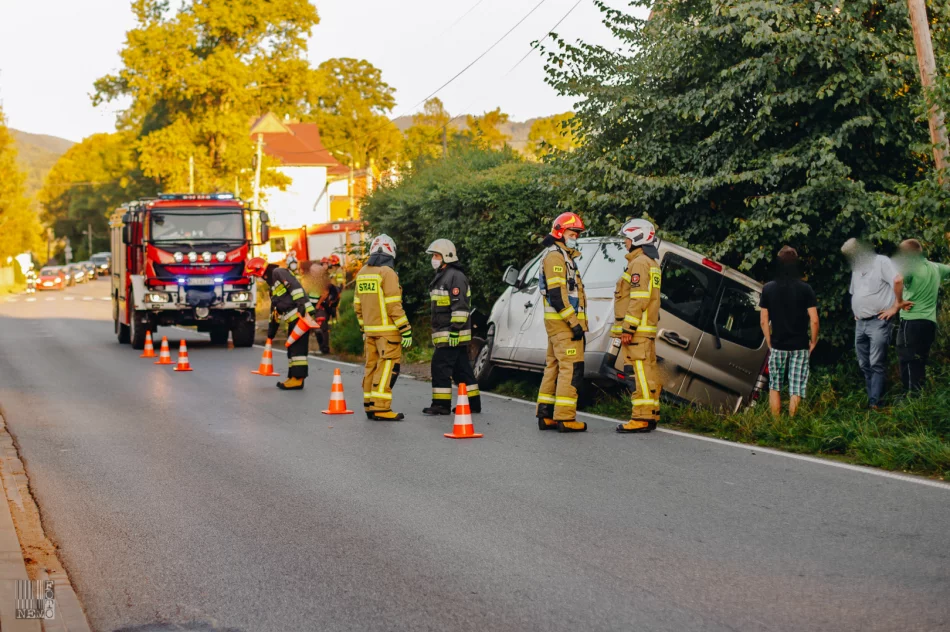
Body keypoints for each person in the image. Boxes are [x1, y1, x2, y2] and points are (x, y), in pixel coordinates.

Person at [535, 212, 589, 433]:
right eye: (572, 232)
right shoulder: (556, 256)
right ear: (559, 232)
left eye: (577, 233)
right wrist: (574, 322)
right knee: (571, 368)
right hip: (564, 324)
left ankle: (546, 415)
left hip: (556, 325)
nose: (575, 236)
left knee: (554, 367)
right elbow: (557, 295)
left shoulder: (561, 255)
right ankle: (565, 418)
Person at [354, 235, 412, 421]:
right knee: (387, 367)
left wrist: (364, 329)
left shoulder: (362, 272)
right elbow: (393, 305)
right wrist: (405, 329)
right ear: (391, 252)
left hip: (370, 331)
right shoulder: (387, 273)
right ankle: (381, 408)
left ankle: (369, 405)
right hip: (388, 333)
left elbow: (357, 306)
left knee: (371, 366)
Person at [613, 219, 663, 433]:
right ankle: (650, 414)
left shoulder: (639, 263)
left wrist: (628, 328)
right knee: (648, 373)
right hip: (646, 330)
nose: (624, 242)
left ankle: (641, 418)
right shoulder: (651, 263)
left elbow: (638, 299)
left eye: (626, 238)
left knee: (639, 374)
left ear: (636, 238)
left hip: (638, 332)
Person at [422, 239, 481, 416]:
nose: (434, 259)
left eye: (436, 255)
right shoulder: (444, 275)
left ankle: (441, 405)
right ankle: (473, 403)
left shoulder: (455, 277)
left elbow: (460, 306)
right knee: (461, 369)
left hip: (452, 334)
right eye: (433, 256)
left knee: (439, 366)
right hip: (449, 333)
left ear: (447, 256)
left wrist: (455, 330)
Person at [758, 246, 819, 417]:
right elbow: (814, 320)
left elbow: (763, 320)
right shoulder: (806, 289)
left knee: (775, 385)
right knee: (797, 386)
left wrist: (769, 341)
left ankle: (777, 425)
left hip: (778, 344)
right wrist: (813, 342)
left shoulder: (768, 288)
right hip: (800, 346)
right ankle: (792, 423)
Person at [841, 238, 900, 409]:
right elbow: (855, 292)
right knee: (864, 364)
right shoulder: (856, 269)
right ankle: (873, 398)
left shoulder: (881, 261)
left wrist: (895, 307)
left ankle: (876, 403)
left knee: (876, 363)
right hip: (861, 323)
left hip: (878, 321)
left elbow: (897, 280)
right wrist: (857, 312)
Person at [245, 257, 318, 390]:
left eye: (255, 275)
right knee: (292, 348)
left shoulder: (278, 272)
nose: (256, 278)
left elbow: (295, 286)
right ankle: (293, 377)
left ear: (259, 270)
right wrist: (271, 333)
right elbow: (275, 312)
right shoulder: (272, 288)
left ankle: (297, 379)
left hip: (300, 316)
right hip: (293, 319)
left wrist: (301, 305)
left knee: (298, 349)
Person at [890, 239, 950, 393]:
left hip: (911, 321)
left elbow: (897, 280)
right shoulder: (935, 267)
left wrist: (900, 301)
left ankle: (910, 398)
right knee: (920, 360)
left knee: (907, 360)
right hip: (929, 323)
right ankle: (920, 398)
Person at [301, 260, 337, 354]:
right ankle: (322, 347)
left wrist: (317, 305)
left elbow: (325, 293)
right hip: (311, 307)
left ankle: (325, 348)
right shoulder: (310, 281)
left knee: (321, 328)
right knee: (316, 329)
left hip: (320, 308)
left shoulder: (322, 281)